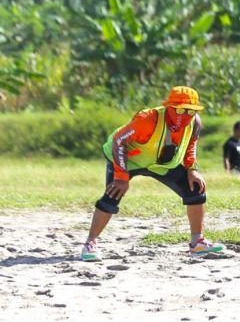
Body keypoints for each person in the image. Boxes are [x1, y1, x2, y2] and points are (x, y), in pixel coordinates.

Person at [80, 86, 224, 261]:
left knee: (195, 189)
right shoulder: (147, 119)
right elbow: (119, 141)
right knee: (112, 195)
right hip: (128, 160)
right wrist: (121, 177)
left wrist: (192, 169)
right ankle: (90, 244)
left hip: (161, 163)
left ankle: (197, 243)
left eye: (191, 111)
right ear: (168, 107)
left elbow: (191, 144)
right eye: (180, 109)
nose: (185, 115)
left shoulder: (195, 123)